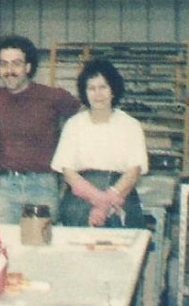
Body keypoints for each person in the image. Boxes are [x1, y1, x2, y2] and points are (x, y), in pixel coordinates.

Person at [0, 34, 81, 224]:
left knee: (41, 248)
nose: (9, 70)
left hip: (43, 187)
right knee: (3, 245)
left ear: (28, 67)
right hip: (5, 186)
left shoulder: (53, 96)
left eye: (16, 64)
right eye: (4, 64)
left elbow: (85, 120)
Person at [51, 59, 148, 228]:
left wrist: (108, 200)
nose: (98, 94)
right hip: (81, 198)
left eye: (103, 87)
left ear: (113, 91)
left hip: (121, 196)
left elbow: (134, 171)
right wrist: (97, 198)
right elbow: (67, 171)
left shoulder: (131, 125)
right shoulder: (74, 125)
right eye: (92, 88)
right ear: (85, 92)